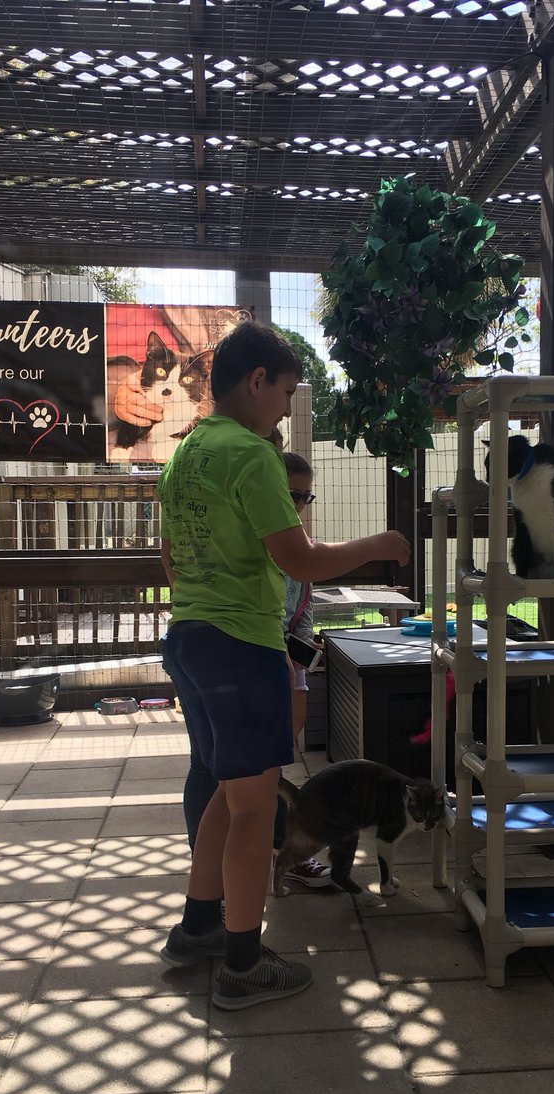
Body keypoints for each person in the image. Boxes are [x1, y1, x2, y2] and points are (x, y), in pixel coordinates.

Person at [157, 321, 410, 1010]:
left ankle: (199, 927)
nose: (285, 407)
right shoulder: (250, 454)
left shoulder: (185, 456)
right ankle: (243, 962)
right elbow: (298, 560)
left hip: (191, 640)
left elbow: (171, 562)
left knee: (222, 794)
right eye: (288, 392)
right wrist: (381, 543)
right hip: (242, 649)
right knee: (251, 812)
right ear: (257, 379)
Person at [168, 441, 332, 889]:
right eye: (292, 495)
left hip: (264, 661)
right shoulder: (248, 538)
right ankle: (213, 872)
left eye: (305, 497)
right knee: (215, 767)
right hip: (237, 658)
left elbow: (302, 606)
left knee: (262, 770)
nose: (299, 506)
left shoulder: (291, 542)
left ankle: (271, 858)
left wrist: (299, 658)